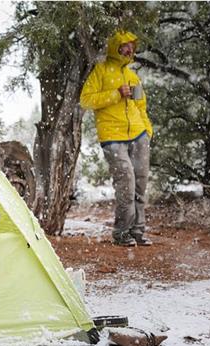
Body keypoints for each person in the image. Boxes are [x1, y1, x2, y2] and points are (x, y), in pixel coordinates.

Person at [80, 30, 153, 246]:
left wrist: (147, 131)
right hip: (112, 137)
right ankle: (122, 233)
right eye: (124, 45)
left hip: (139, 135)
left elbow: (141, 106)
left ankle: (138, 232)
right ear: (115, 47)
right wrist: (116, 94)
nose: (129, 49)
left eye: (132, 45)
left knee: (140, 183)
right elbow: (86, 100)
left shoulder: (133, 75)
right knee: (126, 183)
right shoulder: (100, 71)